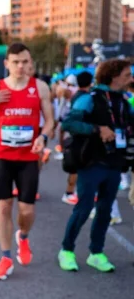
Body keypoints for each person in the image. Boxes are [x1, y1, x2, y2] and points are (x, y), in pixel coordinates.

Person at [0, 43, 54, 280]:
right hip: (2, 156)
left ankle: (22, 236)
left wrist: (42, 136)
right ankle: (6, 257)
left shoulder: (39, 87)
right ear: (7, 64)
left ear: (29, 62)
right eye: (16, 62)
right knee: (3, 206)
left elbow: (51, 122)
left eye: (25, 62)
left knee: (27, 210)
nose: (21, 66)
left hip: (28, 157)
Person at [57, 59, 133, 273]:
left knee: (105, 210)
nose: (131, 79)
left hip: (114, 163)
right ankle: (66, 250)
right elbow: (69, 123)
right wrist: (97, 129)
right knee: (84, 208)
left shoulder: (123, 102)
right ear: (114, 76)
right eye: (127, 75)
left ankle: (96, 253)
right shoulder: (90, 99)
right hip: (91, 162)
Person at [60, 71, 93, 205]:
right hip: (79, 138)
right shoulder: (82, 97)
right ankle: (69, 193)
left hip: (76, 137)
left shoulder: (77, 95)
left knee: (79, 168)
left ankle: (74, 192)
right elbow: (67, 121)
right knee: (76, 168)